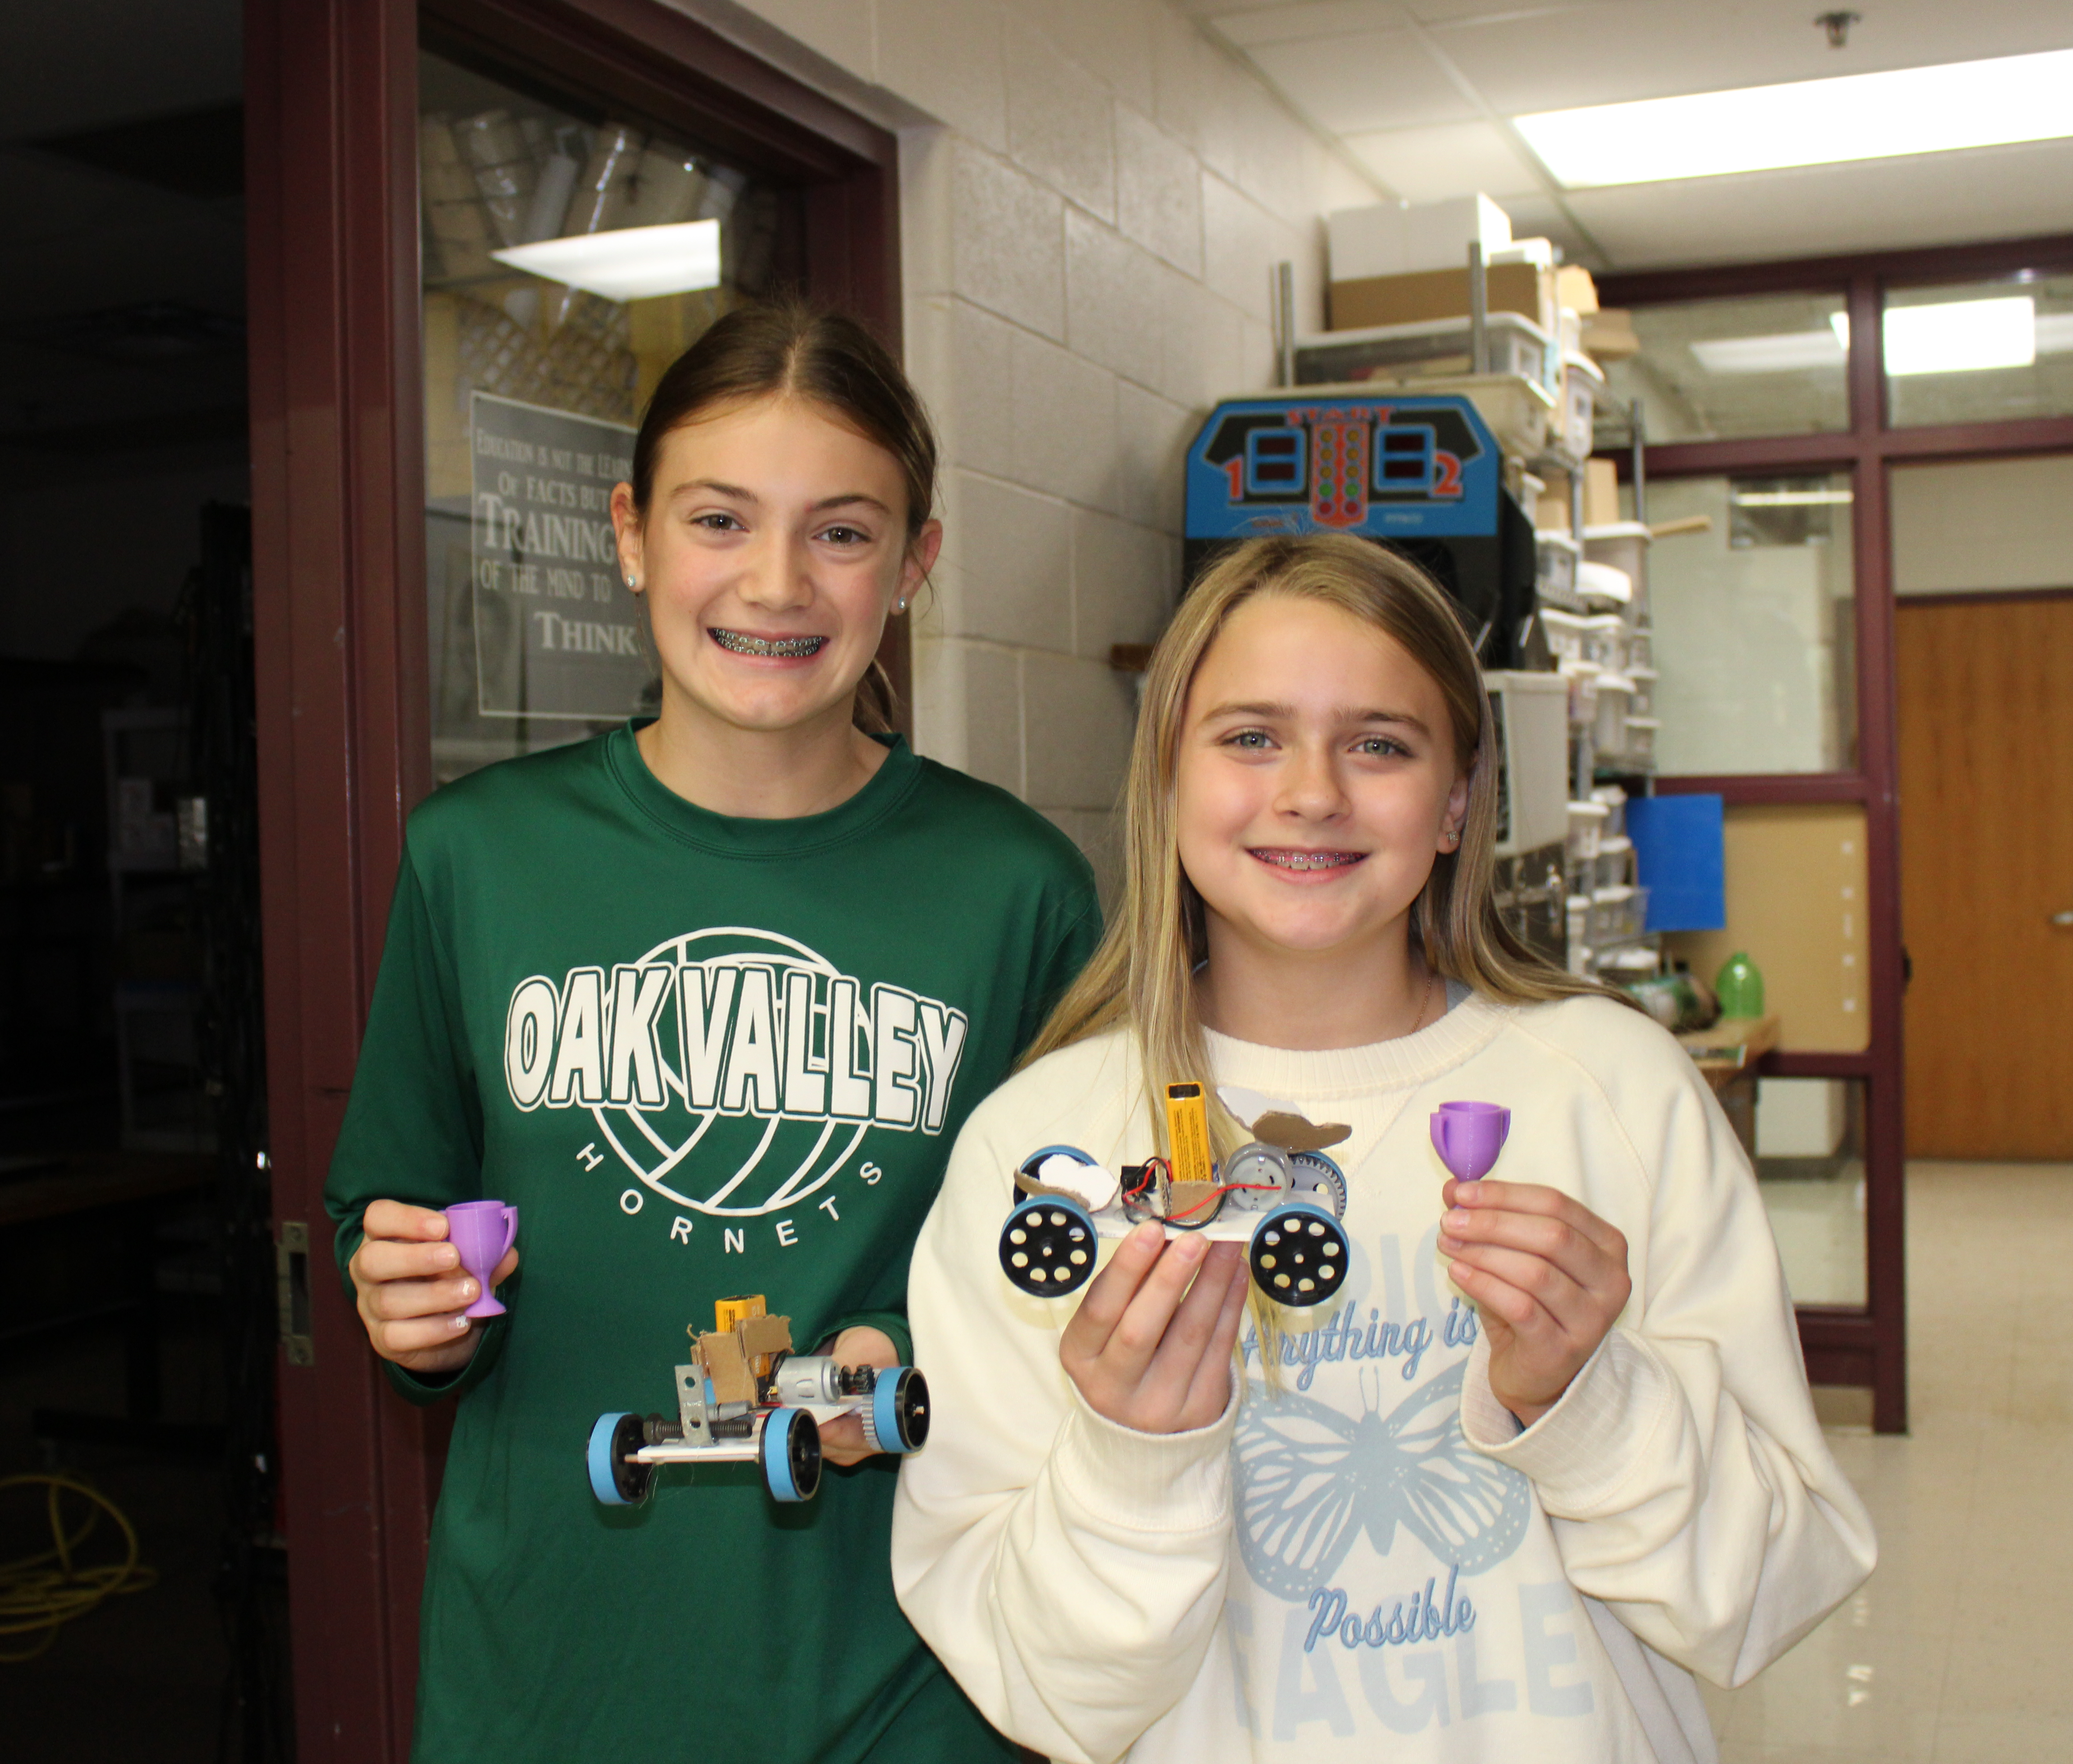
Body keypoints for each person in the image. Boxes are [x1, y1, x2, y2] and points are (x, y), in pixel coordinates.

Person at [890, 533, 1875, 1764]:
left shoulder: (1610, 1089)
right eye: (1249, 737)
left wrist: (1583, 1399)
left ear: (1459, 800)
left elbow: (1767, 1598)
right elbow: (1045, 1696)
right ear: (1165, 785)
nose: (1311, 792)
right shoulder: (1037, 1146)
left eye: (1379, 745)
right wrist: (1134, 1460)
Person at [326, 302, 1101, 1763]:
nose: (775, 580)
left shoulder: (1018, 890)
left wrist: (924, 1349)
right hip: (550, 1676)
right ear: (630, 535)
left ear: (916, 563)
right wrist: (409, 1311)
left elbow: (1068, 1275)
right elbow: (410, 1228)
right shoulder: (476, 859)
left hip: (903, 1680)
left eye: (844, 531)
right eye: (719, 518)